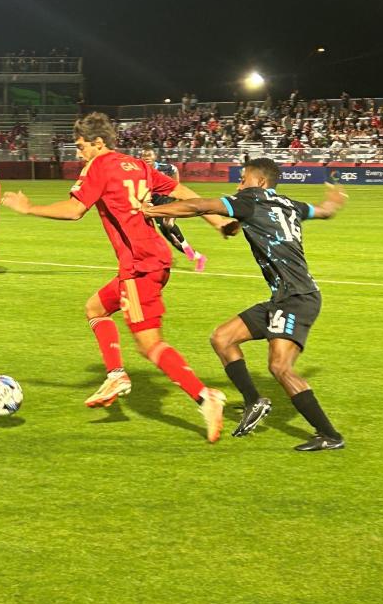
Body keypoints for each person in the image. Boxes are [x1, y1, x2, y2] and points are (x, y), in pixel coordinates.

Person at [2, 112, 228, 442]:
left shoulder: (99, 166)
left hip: (139, 266)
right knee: (95, 308)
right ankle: (116, 374)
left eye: (81, 147)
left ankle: (205, 397)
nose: (79, 153)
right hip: (150, 259)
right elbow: (183, 192)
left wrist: (29, 208)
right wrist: (218, 220)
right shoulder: (136, 164)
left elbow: (74, 209)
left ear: (98, 143)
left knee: (149, 345)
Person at [145, 157, 346, 451]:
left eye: (243, 179)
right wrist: (334, 199)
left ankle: (329, 435)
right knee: (223, 338)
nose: (239, 185)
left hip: (297, 298)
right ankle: (254, 401)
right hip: (284, 296)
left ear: (260, 182)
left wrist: (148, 210)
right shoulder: (291, 205)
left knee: (280, 367)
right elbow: (326, 212)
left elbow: (199, 206)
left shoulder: (250, 200)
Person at [141, 147, 207, 272]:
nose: (146, 158)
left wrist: (176, 187)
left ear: (154, 157)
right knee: (174, 241)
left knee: (168, 223)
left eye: (149, 155)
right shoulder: (141, 171)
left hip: (167, 201)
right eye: (144, 156)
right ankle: (197, 257)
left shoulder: (163, 167)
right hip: (156, 208)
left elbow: (175, 169)